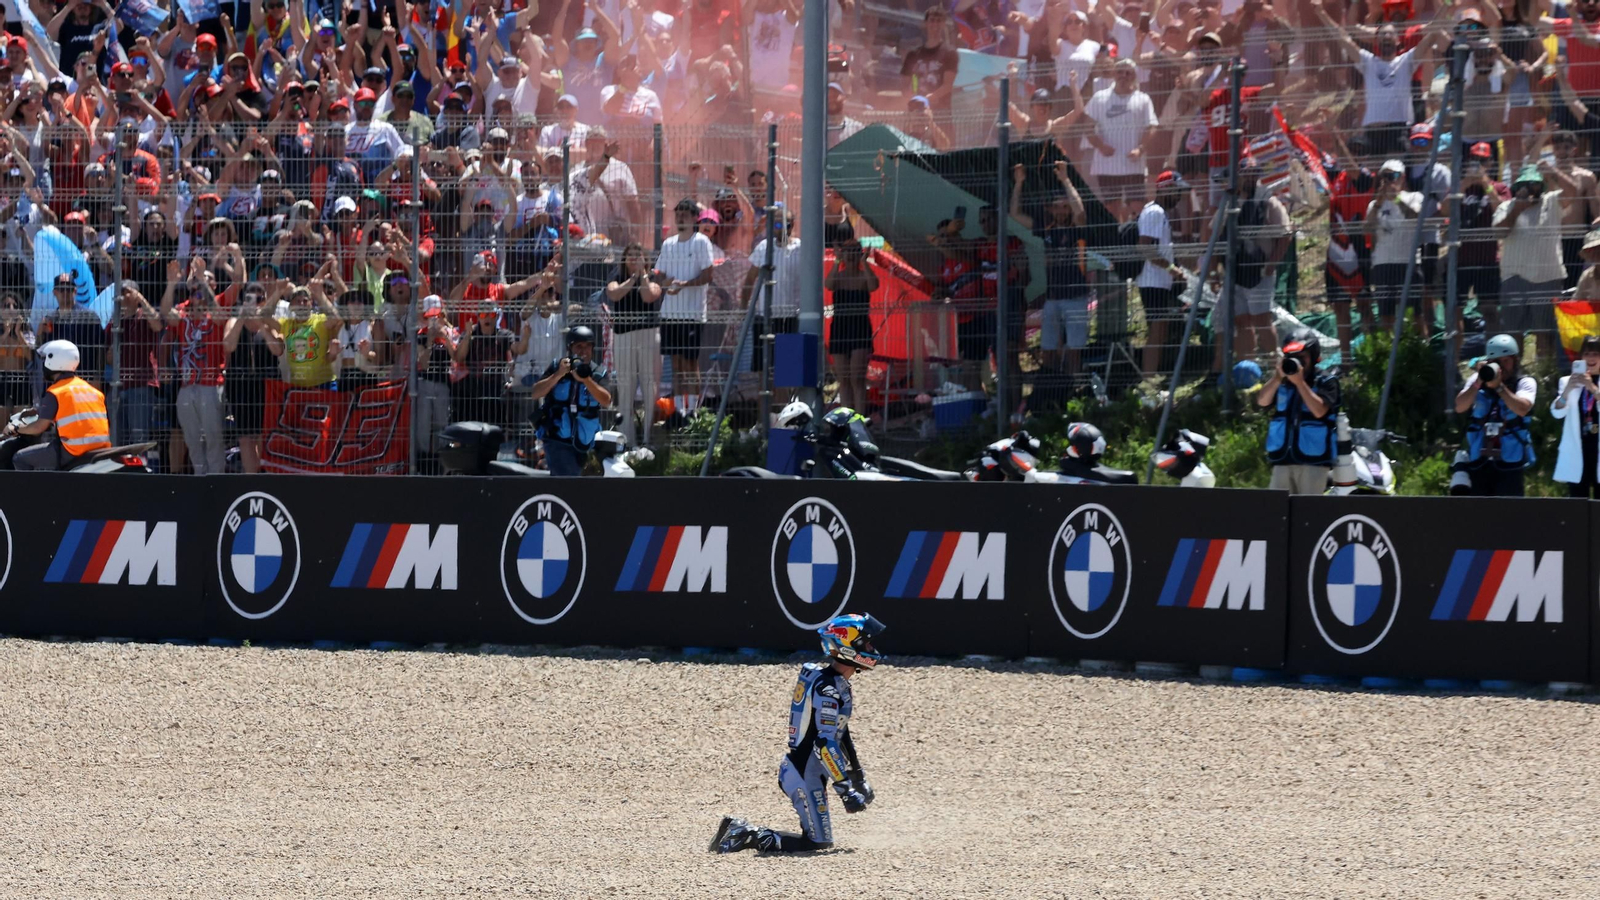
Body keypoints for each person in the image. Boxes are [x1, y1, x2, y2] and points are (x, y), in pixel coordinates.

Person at [712, 612, 886, 854]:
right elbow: (824, 744)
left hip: (811, 770)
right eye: (866, 643)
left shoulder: (836, 684)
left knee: (819, 841)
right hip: (802, 773)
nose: (871, 648)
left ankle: (745, 833)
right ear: (849, 646)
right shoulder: (828, 689)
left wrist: (857, 775)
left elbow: (840, 732)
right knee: (816, 844)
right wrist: (845, 790)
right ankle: (744, 833)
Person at [1217, 158, 1287, 371]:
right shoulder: (1229, 201)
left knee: (1262, 320)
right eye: (1247, 172)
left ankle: (1277, 369)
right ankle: (1248, 370)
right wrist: (1215, 271)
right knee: (1241, 321)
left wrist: (1271, 265)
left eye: (1254, 172)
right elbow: (1215, 234)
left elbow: (1285, 235)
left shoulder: (1269, 201)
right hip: (1234, 272)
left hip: (1259, 272)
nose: (1251, 176)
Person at [0, 340, 109, 470]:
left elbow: (37, 428)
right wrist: (37, 411)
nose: (43, 365)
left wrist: (15, 429)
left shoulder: (56, 392)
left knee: (20, 457)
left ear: (53, 360)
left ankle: (29, 491)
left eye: (45, 359)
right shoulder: (91, 390)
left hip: (73, 450)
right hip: (100, 447)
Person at [1255, 327, 1339, 495]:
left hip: (1314, 463)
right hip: (1283, 461)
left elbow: (1319, 411)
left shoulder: (1326, 381)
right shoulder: (1282, 383)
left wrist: (1300, 383)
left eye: (1302, 358)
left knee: (1308, 514)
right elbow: (1262, 401)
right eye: (1291, 358)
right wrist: (1278, 377)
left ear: (1314, 357)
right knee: (1278, 511)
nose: (1297, 362)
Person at [1494, 165, 1566, 358]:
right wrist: (1517, 209)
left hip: (1547, 277)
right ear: (1516, 188)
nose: (1528, 190)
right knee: (1513, 332)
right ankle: (1514, 372)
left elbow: (1573, 195)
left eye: (1534, 185)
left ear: (1541, 187)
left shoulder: (1552, 201)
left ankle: (1543, 374)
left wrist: (1552, 175)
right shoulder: (1505, 206)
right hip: (1514, 277)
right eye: (1524, 185)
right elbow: (1499, 232)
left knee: (1545, 333)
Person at [1452, 333, 1536, 497]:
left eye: (1506, 360)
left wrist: (1499, 387)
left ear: (1515, 360)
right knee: (1479, 513)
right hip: (1479, 457)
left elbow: (1523, 408)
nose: (1502, 366)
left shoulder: (1525, 382)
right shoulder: (1478, 380)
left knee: (1509, 514)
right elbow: (1460, 406)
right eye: (1497, 362)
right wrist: (1478, 382)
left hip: (1511, 459)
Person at [656, 198, 716, 416]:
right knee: (676, 364)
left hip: (692, 313)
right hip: (670, 313)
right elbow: (660, 273)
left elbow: (708, 274)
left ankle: (694, 412)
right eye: (678, 212)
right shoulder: (668, 244)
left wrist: (685, 285)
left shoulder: (701, 242)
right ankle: (680, 411)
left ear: (694, 218)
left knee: (690, 364)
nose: (680, 216)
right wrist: (665, 283)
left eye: (685, 213)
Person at [530, 325, 613, 476]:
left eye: (587, 346)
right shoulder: (557, 367)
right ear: (570, 348)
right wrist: (558, 375)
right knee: (567, 480)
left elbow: (606, 400)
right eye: (579, 346)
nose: (583, 351)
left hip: (586, 442)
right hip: (557, 439)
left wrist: (586, 380)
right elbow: (536, 393)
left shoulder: (597, 374)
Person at [606, 242, 663, 448]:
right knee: (625, 386)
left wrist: (643, 276)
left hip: (649, 335)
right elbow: (614, 294)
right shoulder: (617, 276)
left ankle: (648, 439)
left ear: (645, 258)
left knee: (650, 387)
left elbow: (649, 296)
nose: (633, 257)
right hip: (624, 336)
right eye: (629, 254)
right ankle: (626, 441)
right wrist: (632, 279)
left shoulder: (653, 277)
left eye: (638, 254)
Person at [1137, 170, 1187, 375]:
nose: (1179, 196)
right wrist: (1171, 268)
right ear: (1164, 190)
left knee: (1160, 330)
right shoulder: (1155, 212)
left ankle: (1153, 373)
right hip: (1152, 281)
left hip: (1159, 281)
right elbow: (1145, 247)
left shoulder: (1159, 213)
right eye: (1176, 191)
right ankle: (1148, 377)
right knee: (1156, 332)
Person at [825, 227, 878, 415]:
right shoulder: (838, 277)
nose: (850, 256)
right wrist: (836, 260)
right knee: (844, 379)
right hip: (840, 328)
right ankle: (846, 421)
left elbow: (874, 286)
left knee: (857, 378)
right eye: (847, 252)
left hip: (860, 327)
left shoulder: (864, 276)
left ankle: (860, 420)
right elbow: (828, 285)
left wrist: (866, 263)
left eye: (854, 252)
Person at [1551, 334, 1600, 498]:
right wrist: (1567, 391)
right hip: (1578, 451)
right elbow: (1557, 412)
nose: (1591, 358)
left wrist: (1592, 387)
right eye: (1587, 354)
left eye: (1595, 354)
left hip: (1598, 449)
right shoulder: (1566, 382)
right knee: (1579, 507)